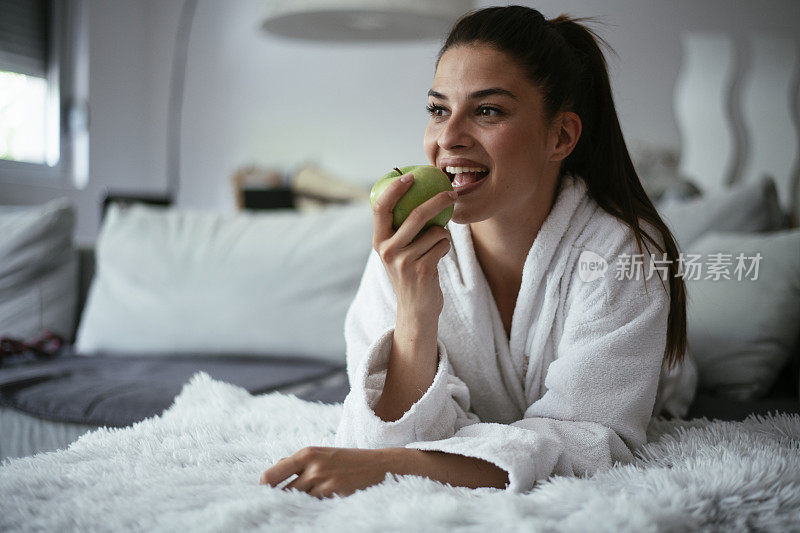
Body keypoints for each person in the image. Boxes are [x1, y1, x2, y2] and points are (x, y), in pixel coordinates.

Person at [259, 5, 697, 499]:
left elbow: (591, 440)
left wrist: (394, 466)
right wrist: (414, 312)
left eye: (487, 110)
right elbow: (380, 433)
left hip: (654, 376)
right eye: (438, 109)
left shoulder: (620, 251)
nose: (447, 138)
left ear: (561, 136)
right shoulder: (409, 248)